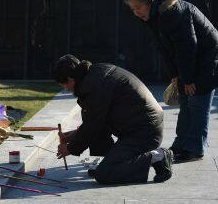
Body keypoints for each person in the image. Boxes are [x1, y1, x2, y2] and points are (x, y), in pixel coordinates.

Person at [124, 0, 218, 163]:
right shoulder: (154, 15)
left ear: (149, 1)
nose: (136, 12)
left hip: (207, 57)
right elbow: (165, 49)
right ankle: (181, 145)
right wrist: (176, 76)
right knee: (185, 102)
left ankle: (194, 148)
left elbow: (188, 47)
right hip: (193, 58)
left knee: (197, 104)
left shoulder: (172, 12)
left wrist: (188, 78)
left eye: (138, 7)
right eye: (132, 9)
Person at [53, 55, 173, 185]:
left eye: (64, 85)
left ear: (71, 79)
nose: (66, 89)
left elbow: (93, 124)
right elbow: (95, 120)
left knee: (105, 174)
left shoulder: (94, 86)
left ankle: (158, 157)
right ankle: (110, 162)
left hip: (145, 132)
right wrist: (75, 135)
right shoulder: (94, 73)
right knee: (96, 131)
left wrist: (70, 148)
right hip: (141, 125)